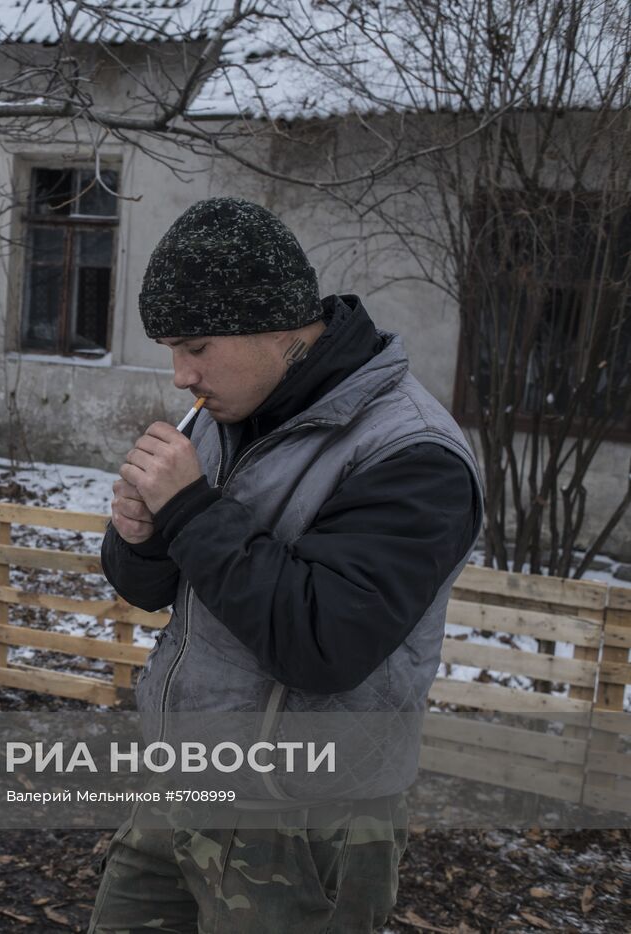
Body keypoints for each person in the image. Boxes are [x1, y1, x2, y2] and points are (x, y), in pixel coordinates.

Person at [88, 197, 483, 933]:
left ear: (279, 328)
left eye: (195, 346)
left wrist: (189, 512)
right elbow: (155, 592)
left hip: (308, 825)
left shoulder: (412, 454)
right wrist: (141, 535)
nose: (181, 375)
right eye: (171, 348)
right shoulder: (223, 413)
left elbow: (323, 643)